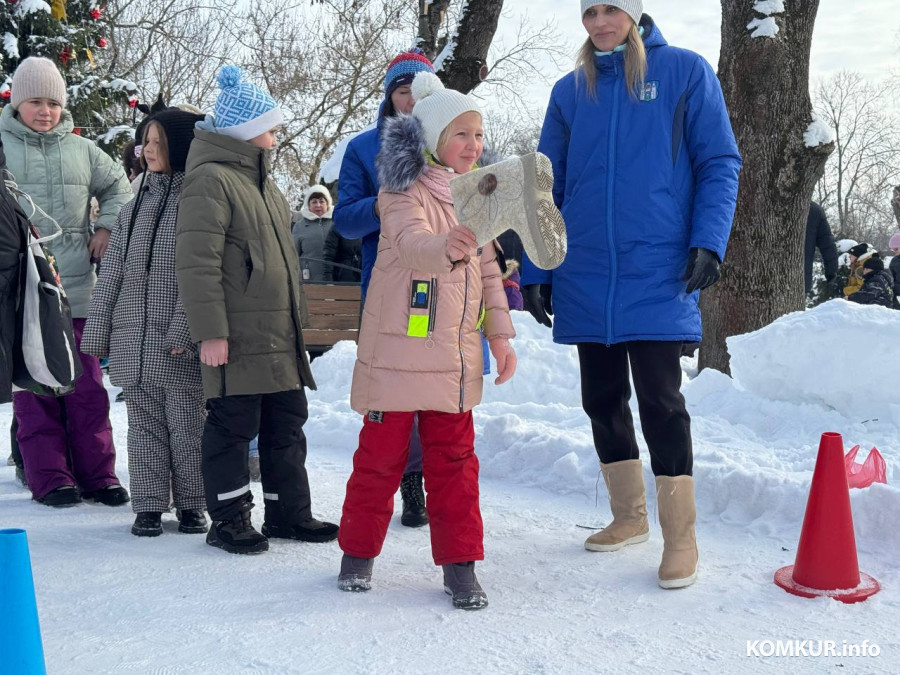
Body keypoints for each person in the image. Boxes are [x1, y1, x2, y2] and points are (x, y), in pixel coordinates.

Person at [521, 2, 741, 589]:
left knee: (660, 403)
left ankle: (680, 537)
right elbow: (543, 184)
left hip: (658, 267)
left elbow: (719, 161)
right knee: (601, 399)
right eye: (589, 12)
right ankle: (628, 517)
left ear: (635, 12)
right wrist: (537, 265)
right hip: (586, 268)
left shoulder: (685, 72)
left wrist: (709, 241)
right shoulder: (571, 90)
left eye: (611, 9)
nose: (599, 22)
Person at [337, 72, 517, 610]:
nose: (474, 145)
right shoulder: (400, 190)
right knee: (379, 460)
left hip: (452, 361)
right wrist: (448, 245)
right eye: (462, 134)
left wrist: (500, 337)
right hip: (397, 353)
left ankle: (461, 566)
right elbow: (411, 243)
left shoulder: (477, 196)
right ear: (436, 138)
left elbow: (490, 276)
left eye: (478, 134)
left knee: (456, 464)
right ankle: (357, 555)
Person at [176, 65, 338, 554]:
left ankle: (288, 513)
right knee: (233, 426)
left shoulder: (265, 183)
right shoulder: (210, 180)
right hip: (237, 336)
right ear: (245, 131)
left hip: (278, 334)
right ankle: (228, 520)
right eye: (270, 127)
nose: (276, 135)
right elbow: (197, 263)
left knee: (286, 421)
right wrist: (210, 332)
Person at [1, 56, 132, 508]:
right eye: (36, 102)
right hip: (23, 291)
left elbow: (119, 187)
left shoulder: (83, 150)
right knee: (36, 388)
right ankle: (50, 478)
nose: (45, 112)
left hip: (77, 288)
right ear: (17, 103)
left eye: (53, 103)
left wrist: (107, 226)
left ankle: (99, 475)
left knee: (88, 388)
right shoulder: (2, 146)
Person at [83, 109, 209, 537]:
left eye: (158, 143)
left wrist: (186, 329)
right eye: (146, 142)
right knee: (143, 428)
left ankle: (192, 504)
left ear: (182, 146)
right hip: (132, 336)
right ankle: (150, 505)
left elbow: (200, 275)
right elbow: (112, 273)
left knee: (187, 426)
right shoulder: (133, 206)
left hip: (176, 339)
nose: (148, 151)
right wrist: (99, 329)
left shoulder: (198, 201)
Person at [333, 48, 438, 529]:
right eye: (403, 91)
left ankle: (438, 479)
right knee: (394, 387)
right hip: (390, 286)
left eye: (421, 90)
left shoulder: (450, 140)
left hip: (443, 284)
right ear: (389, 97)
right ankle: (408, 480)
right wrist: (383, 204)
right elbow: (345, 221)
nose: (412, 100)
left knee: (435, 382)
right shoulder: (362, 148)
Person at [292, 185, 335, 282]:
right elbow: (293, 254)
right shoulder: (299, 226)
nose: (318, 205)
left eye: (321, 201)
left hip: (337, 280)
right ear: (308, 205)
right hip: (309, 280)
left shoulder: (337, 222)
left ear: (328, 204)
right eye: (314, 202)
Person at [804, 202, 838, 294]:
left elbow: (827, 244)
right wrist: (832, 273)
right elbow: (827, 245)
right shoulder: (814, 210)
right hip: (801, 277)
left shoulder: (768, 203)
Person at [889, 233, 900, 309]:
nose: (894, 251)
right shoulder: (894, 261)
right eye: (892, 249)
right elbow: (891, 278)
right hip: (897, 295)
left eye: (896, 249)